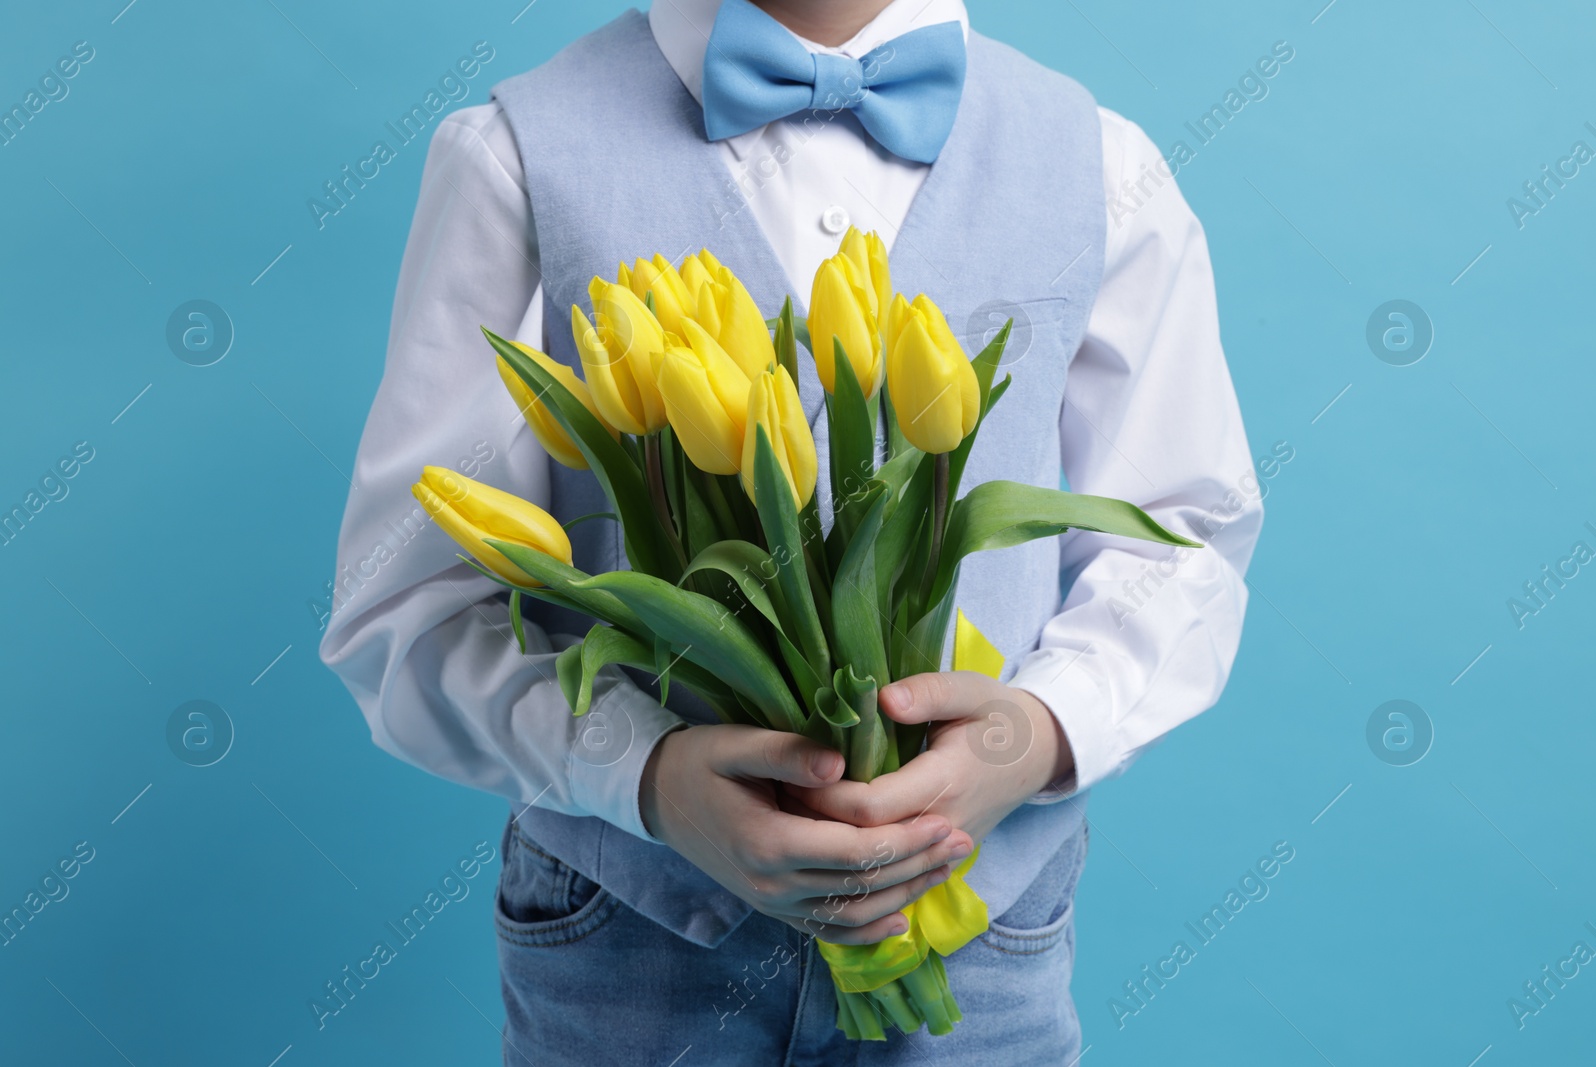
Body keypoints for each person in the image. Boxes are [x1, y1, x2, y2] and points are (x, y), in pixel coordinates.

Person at [320, 0, 1262, 1061]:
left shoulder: (1099, 165)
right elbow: (405, 603)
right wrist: (643, 775)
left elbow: (1182, 538)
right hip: (633, 944)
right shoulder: (515, 157)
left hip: (984, 936)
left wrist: (1033, 733)